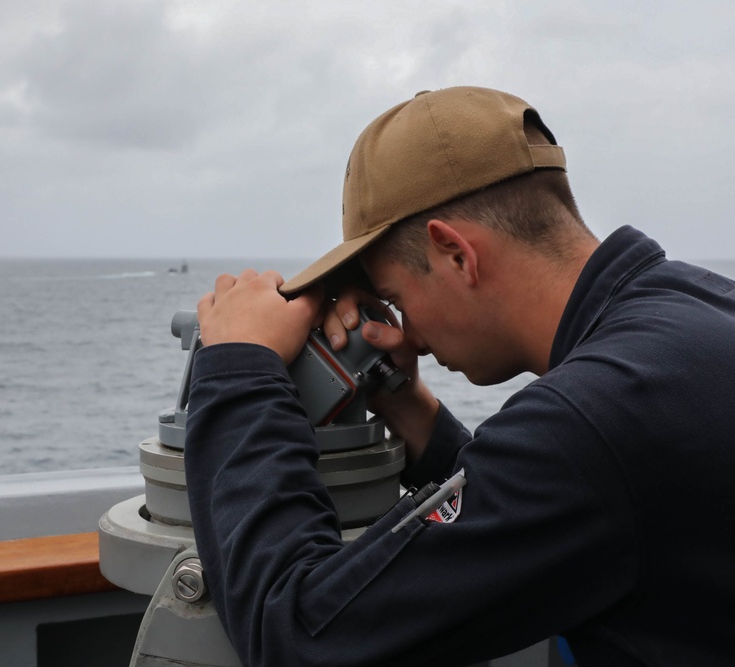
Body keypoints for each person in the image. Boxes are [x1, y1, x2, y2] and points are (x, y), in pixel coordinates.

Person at [183, 86, 735, 666]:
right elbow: (549, 508)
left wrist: (239, 366)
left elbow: (295, 635)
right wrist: (403, 402)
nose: (408, 335)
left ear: (454, 253)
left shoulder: (594, 421)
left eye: (396, 298)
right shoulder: (691, 317)